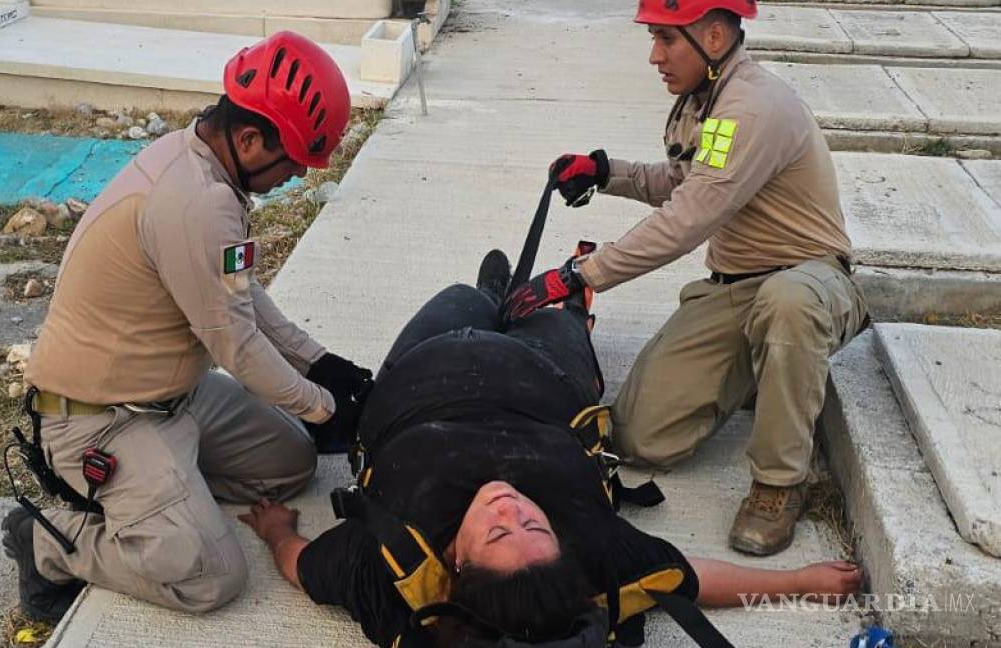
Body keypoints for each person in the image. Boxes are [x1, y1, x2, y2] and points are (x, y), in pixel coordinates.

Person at [239, 251, 863, 648]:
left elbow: (301, 566)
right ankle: (562, 302)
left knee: (464, 295)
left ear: (458, 565)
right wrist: (797, 581)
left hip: (423, 369)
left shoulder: (387, 570)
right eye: (531, 523)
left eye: (499, 533)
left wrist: (274, 529)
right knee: (553, 305)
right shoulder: (580, 553)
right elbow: (691, 578)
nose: (510, 506)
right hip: (539, 375)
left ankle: (491, 294)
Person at [0, 31, 374, 623]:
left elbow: (240, 294)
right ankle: (47, 541)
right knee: (210, 576)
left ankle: (164, 492)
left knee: (292, 464)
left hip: (179, 396)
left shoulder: (209, 165)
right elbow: (237, 345)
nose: (296, 178)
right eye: (294, 163)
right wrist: (326, 408)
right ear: (251, 140)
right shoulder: (194, 201)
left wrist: (322, 365)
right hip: (101, 419)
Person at [503, 0, 869, 556]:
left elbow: (688, 219)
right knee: (640, 438)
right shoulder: (709, 102)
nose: (654, 56)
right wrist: (606, 173)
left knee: (787, 306)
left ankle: (779, 482)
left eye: (666, 39)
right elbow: (682, 180)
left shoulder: (752, 108)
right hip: (737, 287)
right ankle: (765, 365)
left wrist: (579, 275)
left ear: (715, 36)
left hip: (810, 281)